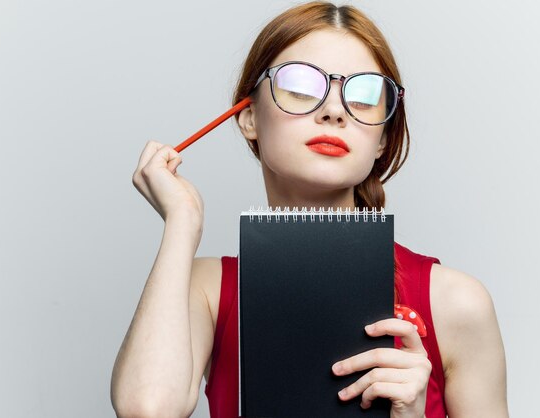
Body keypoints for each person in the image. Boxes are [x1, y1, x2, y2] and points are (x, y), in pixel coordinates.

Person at [110, 2, 509, 417]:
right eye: (300, 85)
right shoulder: (207, 290)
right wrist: (181, 221)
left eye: (364, 93)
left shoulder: (457, 302)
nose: (334, 110)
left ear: (382, 141)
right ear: (248, 117)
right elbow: (146, 409)